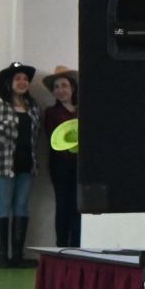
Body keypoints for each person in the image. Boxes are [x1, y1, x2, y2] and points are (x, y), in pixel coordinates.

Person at [0, 61, 40, 268]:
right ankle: (2, 255)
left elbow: (35, 135)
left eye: (25, 79)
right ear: (9, 82)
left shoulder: (33, 106)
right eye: (17, 78)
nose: (22, 82)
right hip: (2, 165)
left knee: (21, 206)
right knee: (3, 204)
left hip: (27, 164)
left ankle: (17, 256)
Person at [40, 66, 81, 248]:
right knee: (63, 205)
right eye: (56, 87)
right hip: (61, 166)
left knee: (79, 207)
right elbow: (53, 138)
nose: (60, 90)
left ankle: (77, 246)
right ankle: (62, 246)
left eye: (64, 85)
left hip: (81, 167)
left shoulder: (82, 110)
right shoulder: (51, 112)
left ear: (72, 88)